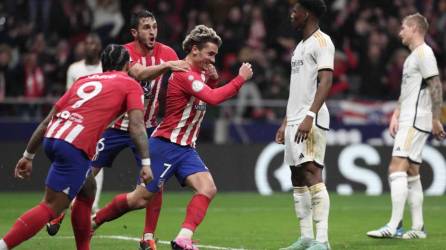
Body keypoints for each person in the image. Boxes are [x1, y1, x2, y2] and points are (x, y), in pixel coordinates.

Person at [91, 24, 253, 250]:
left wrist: (213, 80)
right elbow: (213, 99)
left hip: (186, 148)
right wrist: (240, 79)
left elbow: (201, 100)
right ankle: (95, 220)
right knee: (139, 199)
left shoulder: (200, 73)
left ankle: (183, 238)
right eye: (210, 54)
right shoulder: (184, 73)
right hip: (165, 145)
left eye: (215, 55)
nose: (213, 60)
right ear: (194, 50)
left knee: (208, 188)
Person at [47, 10, 189, 250]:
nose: (152, 31)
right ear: (134, 32)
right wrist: (167, 66)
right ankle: (62, 209)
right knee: (85, 171)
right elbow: (138, 74)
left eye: (154, 26)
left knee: (155, 182)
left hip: (146, 128)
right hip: (114, 126)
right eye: (146, 27)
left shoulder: (168, 53)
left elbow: (180, 83)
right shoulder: (124, 53)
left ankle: (148, 236)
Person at [0, 44, 153, 250]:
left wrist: (28, 155)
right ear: (127, 65)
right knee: (50, 207)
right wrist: (145, 162)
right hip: (74, 145)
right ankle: (3, 244)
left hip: (54, 136)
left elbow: (48, 120)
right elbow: (136, 125)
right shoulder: (130, 84)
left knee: (88, 188)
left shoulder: (83, 81)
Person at [367, 13, 445, 240]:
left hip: (415, 120)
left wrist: (436, 118)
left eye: (403, 28)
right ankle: (418, 227)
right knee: (412, 173)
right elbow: (408, 91)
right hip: (409, 117)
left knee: (395, 169)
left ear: (413, 29)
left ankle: (393, 225)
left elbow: (436, 85)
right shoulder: (413, 56)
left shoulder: (424, 52)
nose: (400, 31)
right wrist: (396, 114)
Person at [275, 1, 334, 250]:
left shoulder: (322, 42)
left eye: (295, 10)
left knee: (311, 171)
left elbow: (326, 82)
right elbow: (297, 89)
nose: (292, 15)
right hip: (295, 118)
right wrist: (286, 121)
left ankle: (322, 241)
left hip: (312, 117)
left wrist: (310, 115)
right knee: (297, 176)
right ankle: (306, 238)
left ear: (307, 12)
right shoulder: (300, 47)